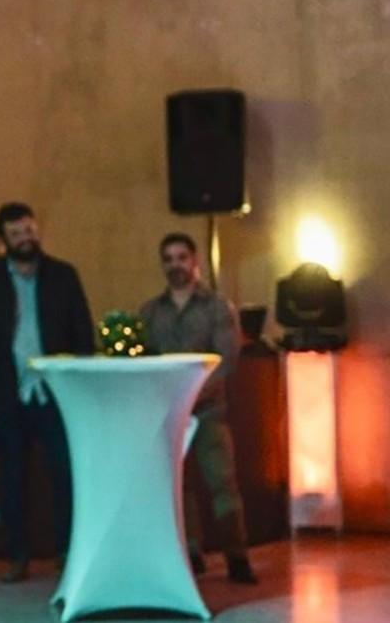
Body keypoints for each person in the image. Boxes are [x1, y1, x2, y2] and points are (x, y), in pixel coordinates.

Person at [0, 203, 94, 583]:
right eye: (16, 234)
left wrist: (77, 385)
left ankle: (68, 551)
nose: (25, 239)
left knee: (63, 475)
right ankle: (17, 555)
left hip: (55, 395)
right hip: (7, 394)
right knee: (11, 477)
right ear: (4, 238)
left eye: (29, 231)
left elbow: (83, 333)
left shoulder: (63, 276)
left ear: (37, 231)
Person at [140, 232, 257, 584]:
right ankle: (191, 553)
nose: (175, 265)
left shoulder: (217, 307)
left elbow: (226, 361)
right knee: (180, 486)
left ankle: (237, 556)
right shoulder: (149, 311)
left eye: (181, 257)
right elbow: (145, 360)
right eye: (169, 259)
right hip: (167, 414)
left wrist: (190, 394)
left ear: (195, 262)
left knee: (222, 481)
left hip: (207, 412)